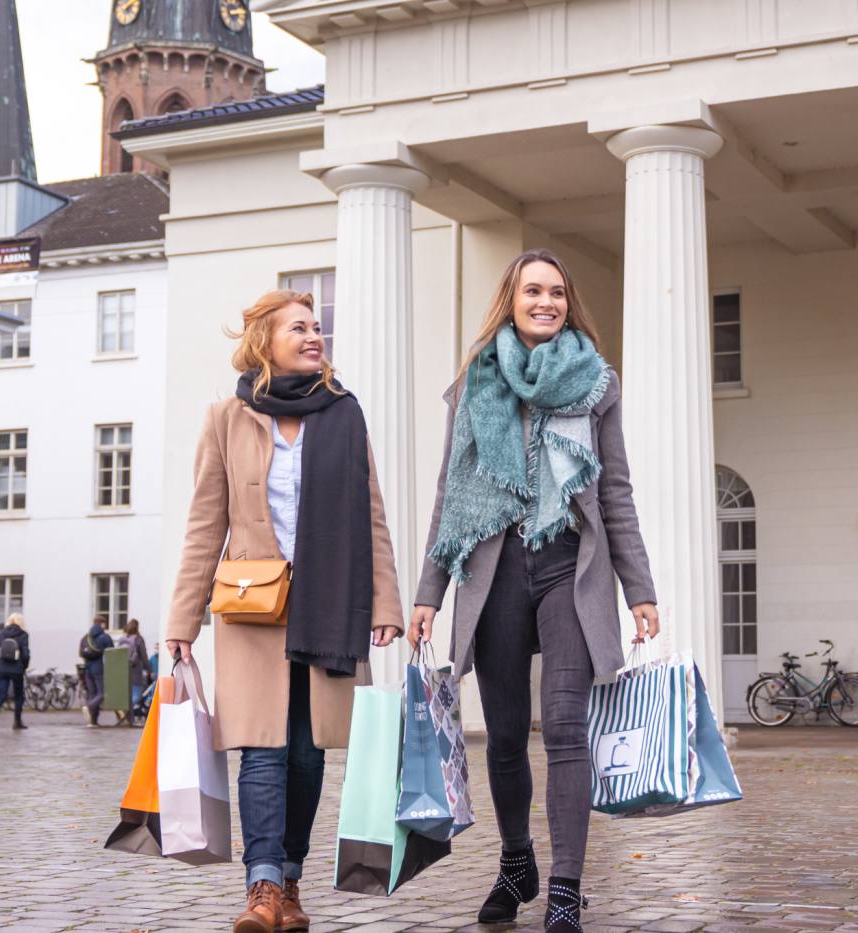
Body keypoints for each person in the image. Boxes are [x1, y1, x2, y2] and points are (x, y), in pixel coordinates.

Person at [408, 249, 659, 933]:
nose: (544, 301)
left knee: (568, 729)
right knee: (508, 734)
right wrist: (428, 591)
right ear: (511, 300)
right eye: (532, 291)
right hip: (494, 575)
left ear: (568, 302)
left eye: (555, 291)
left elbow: (616, 492)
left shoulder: (596, 383)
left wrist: (640, 587)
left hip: (570, 569)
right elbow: (448, 493)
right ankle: (517, 861)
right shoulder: (475, 383)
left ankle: (567, 891)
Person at [164, 288, 402, 933]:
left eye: (317, 327)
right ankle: (262, 885)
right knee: (261, 749)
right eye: (298, 327)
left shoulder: (345, 415)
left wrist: (386, 601)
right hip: (250, 609)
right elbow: (204, 526)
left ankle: (289, 880)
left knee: (307, 751)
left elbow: (370, 517)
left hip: (332, 605)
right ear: (264, 341)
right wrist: (181, 623)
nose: (313, 336)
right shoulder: (226, 419)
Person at [0, 614, 30, 731]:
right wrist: (23, 666)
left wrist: (0, 662)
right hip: (17, 669)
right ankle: (17, 722)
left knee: (1, 695)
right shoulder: (23, 635)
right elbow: (25, 654)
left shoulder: (1, 633)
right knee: (19, 696)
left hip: (1, 669)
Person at [80, 617, 114, 727]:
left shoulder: (86, 637)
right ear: (102, 624)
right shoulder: (105, 637)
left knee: (92, 693)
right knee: (101, 694)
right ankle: (89, 706)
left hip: (87, 669)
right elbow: (112, 653)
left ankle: (93, 721)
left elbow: (81, 653)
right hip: (99, 668)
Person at [119, 618, 151, 723]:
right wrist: (149, 669)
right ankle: (126, 711)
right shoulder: (138, 639)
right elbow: (144, 656)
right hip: (136, 670)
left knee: (127, 693)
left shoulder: (122, 638)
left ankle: (126, 714)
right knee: (137, 694)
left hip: (124, 669)